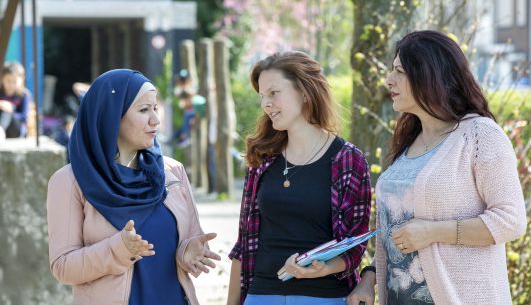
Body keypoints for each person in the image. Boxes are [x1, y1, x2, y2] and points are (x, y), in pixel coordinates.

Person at [347, 30, 527, 305]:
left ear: (428, 75)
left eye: (399, 71)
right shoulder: (410, 139)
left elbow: (511, 221)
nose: (389, 80)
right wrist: (369, 279)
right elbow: (392, 231)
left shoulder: (480, 135)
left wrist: (433, 232)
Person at [47, 69, 221, 305]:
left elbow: (190, 240)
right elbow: (63, 266)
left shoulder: (172, 172)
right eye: (143, 110)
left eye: (155, 108)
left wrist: (188, 253)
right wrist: (116, 250)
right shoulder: (70, 181)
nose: (156, 120)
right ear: (111, 116)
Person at [227, 52, 372, 305]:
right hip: (260, 295)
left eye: (274, 93)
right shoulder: (263, 158)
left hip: (324, 297)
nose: (266, 104)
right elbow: (244, 244)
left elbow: (356, 246)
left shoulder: (349, 160)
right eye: (262, 96)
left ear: (305, 92)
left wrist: (322, 268)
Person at [0, 61, 32, 138]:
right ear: (2, 79)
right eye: (8, 81)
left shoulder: (24, 95)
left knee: (8, 109)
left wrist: (10, 112)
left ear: (22, 80)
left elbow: (24, 117)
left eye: (14, 81)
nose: (11, 84)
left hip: (15, 130)